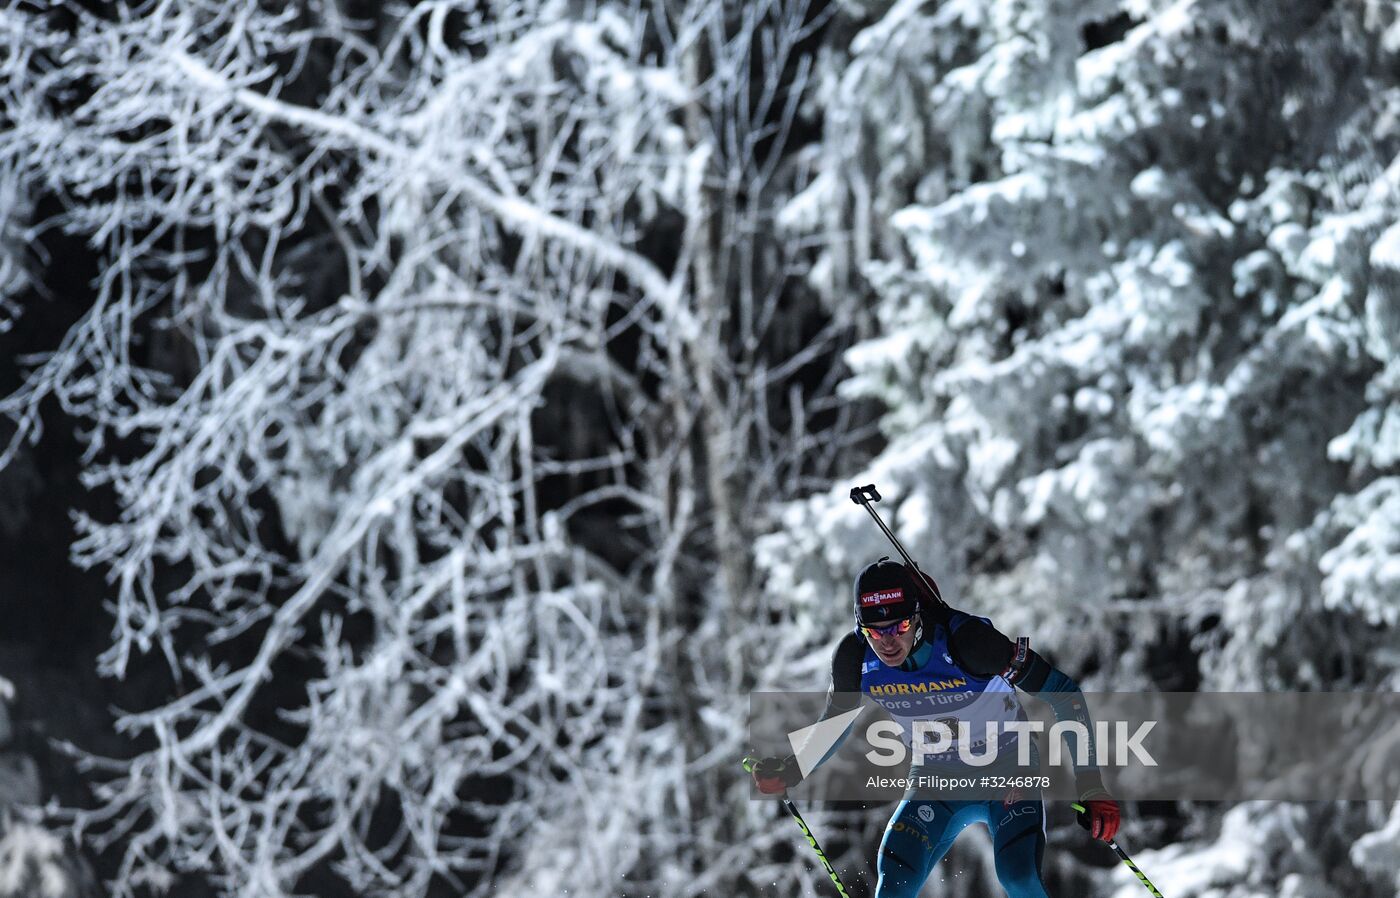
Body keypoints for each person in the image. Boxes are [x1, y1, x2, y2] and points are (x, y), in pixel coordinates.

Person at [749, 557, 1121, 898]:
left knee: (1018, 877)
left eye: (901, 626)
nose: (888, 642)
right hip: (935, 776)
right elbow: (835, 720)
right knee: (893, 879)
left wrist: (1091, 785)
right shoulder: (854, 657)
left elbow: (1063, 693)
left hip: (1008, 769)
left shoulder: (969, 644)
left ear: (919, 617)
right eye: (875, 632)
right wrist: (791, 771)